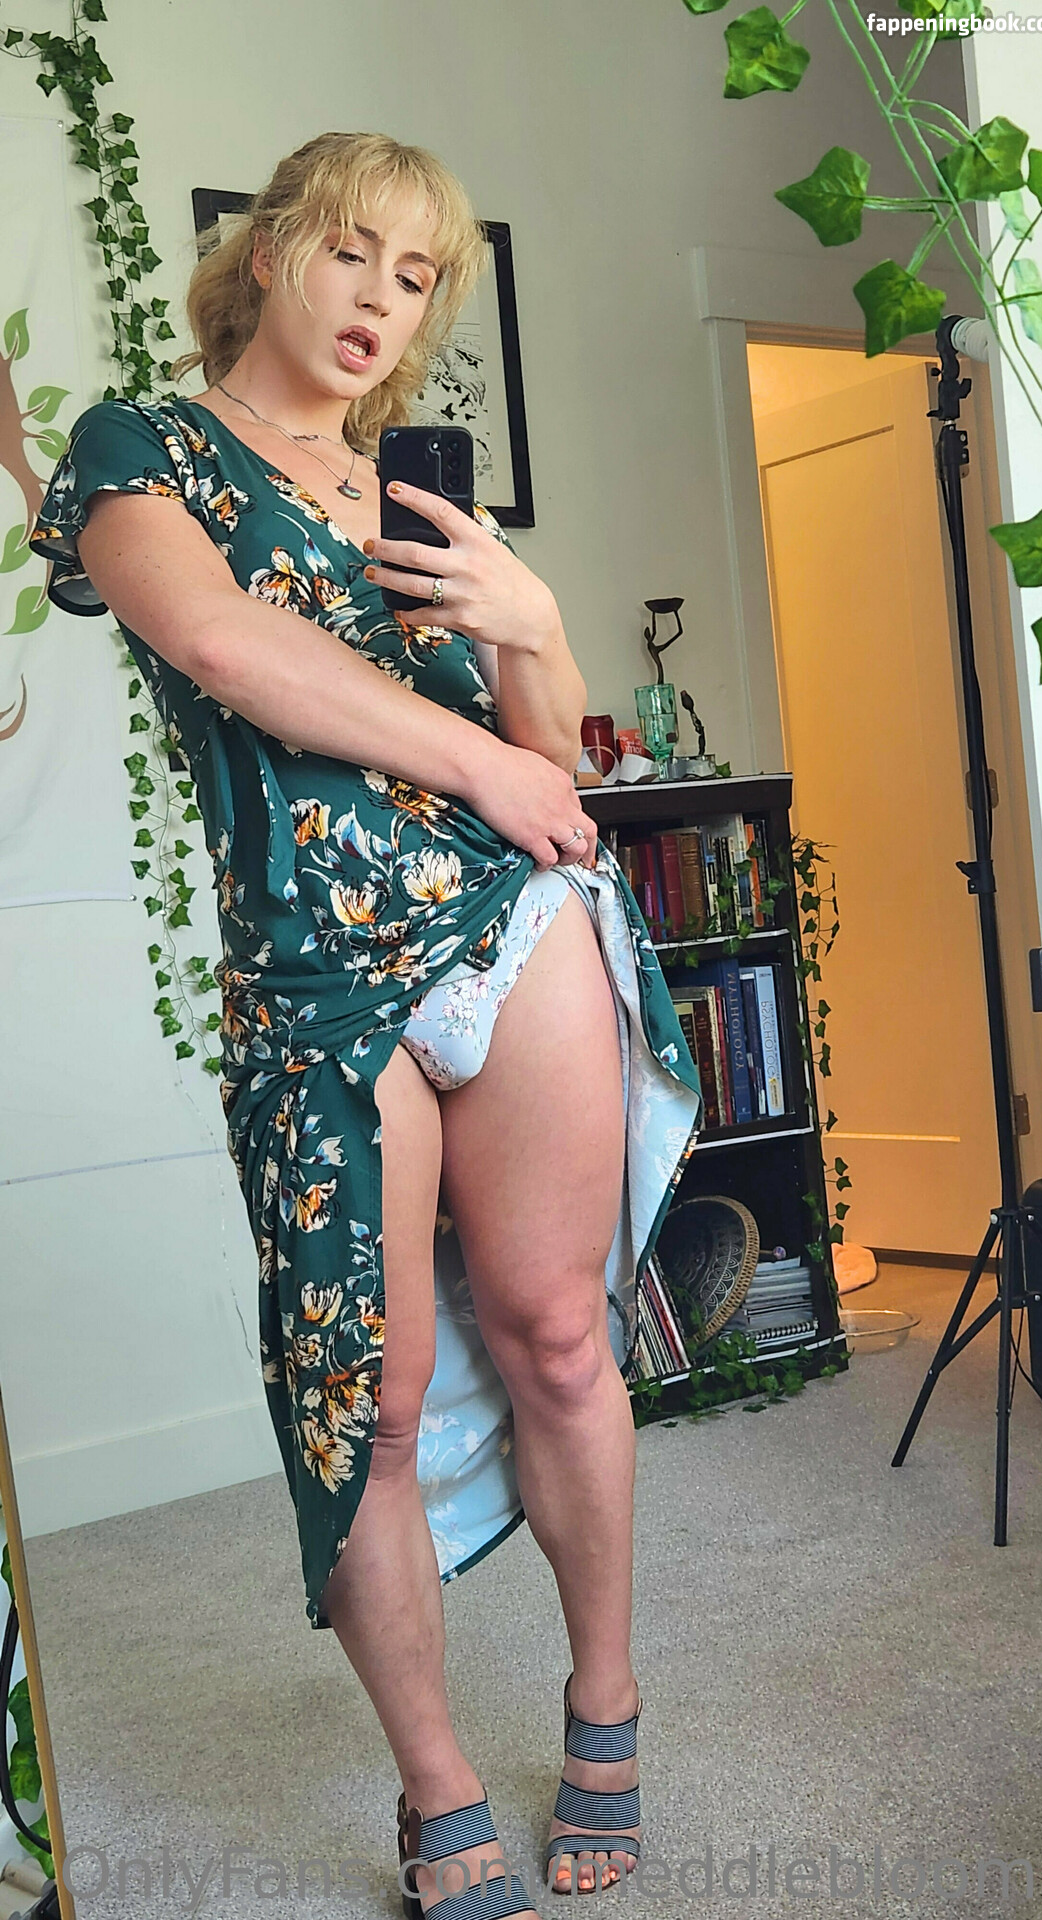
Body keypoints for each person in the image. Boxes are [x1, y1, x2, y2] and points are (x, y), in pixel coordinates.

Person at [30, 131, 702, 1917]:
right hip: (311, 980)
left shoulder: (417, 502)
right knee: (367, 1401)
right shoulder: (141, 448)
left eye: (416, 281)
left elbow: (549, 767)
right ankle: (436, 1785)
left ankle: (607, 1700)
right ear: (268, 254)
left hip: (507, 929)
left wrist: (529, 625)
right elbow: (223, 646)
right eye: (351, 254)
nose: (379, 303)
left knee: (557, 1336)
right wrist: (478, 756)